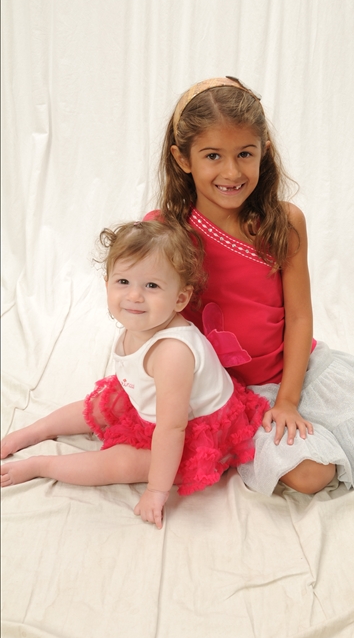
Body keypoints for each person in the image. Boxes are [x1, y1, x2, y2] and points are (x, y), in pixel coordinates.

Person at [144, 76, 354, 497]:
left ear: (264, 151)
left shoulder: (283, 222)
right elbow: (153, 322)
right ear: (182, 158)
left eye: (245, 154)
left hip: (294, 373)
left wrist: (288, 401)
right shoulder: (164, 231)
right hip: (226, 394)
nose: (232, 172)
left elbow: (298, 317)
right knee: (312, 477)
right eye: (213, 156)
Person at [0, 220, 269, 527]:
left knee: (124, 462)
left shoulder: (172, 353)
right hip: (157, 404)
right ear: (107, 284)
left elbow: (172, 428)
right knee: (101, 404)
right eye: (123, 281)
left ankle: (41, 466)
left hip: (193, 430)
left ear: (180, 299)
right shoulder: (140, 324)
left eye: (151, 286)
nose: (134, 296)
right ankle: (35, 431)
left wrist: (156, 491)